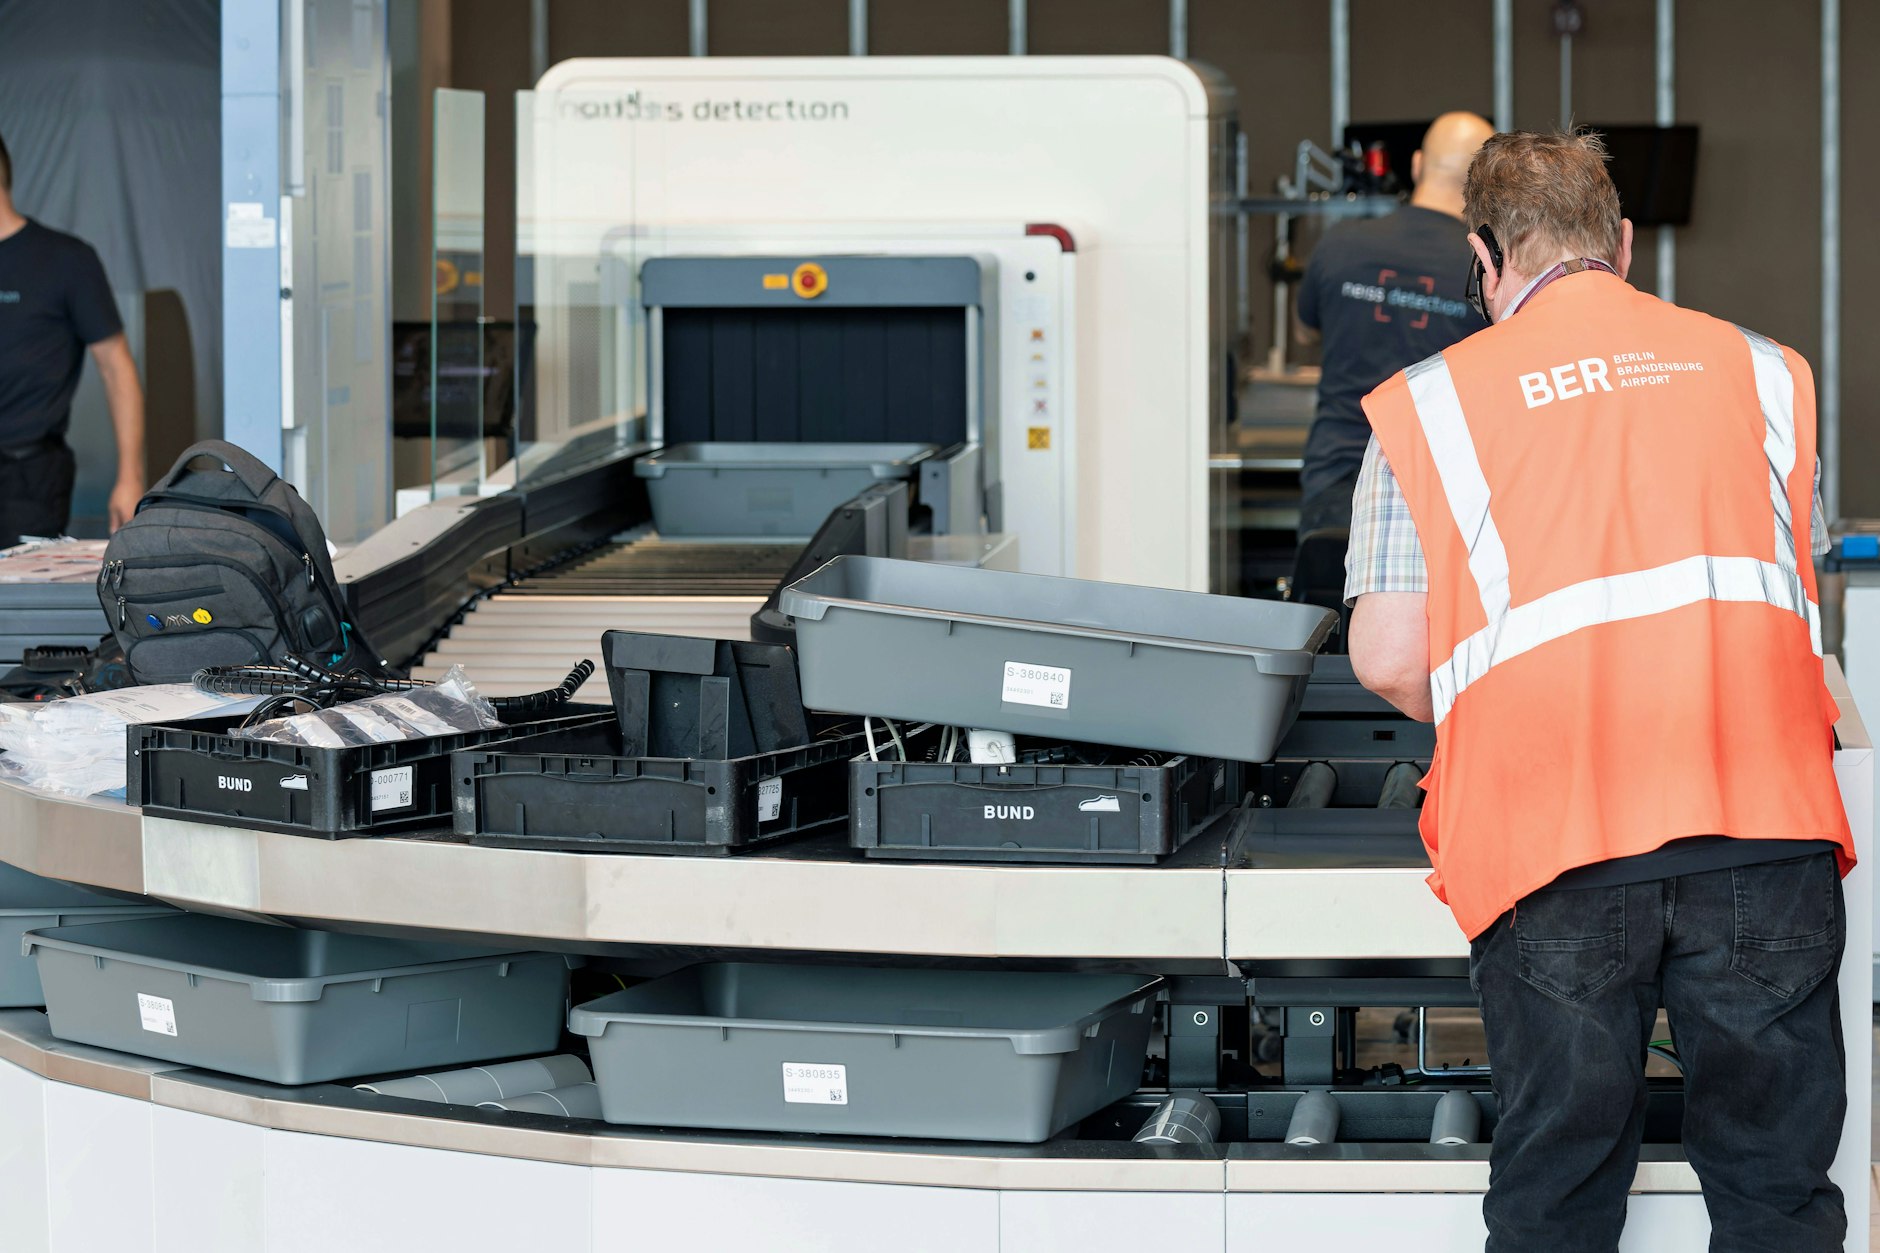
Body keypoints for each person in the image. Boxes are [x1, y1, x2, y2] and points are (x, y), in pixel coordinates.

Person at [1346, 129, 1854, 1251]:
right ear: (1620, 243)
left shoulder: (1426, 407)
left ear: (1482, 258)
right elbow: (1790, 585)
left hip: (1554, 839)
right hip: (1760, 828)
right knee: (1775, 1191)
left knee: (1556, 1194)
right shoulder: (1762, 369)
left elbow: (1386, 653)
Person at [1295, 110, 1495, 543]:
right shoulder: (1486, 271)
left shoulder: (1339, 244)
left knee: (1330, 611)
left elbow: (1305, 333)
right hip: (1439, 488)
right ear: (1484, 187)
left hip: (1336, 480)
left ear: (1418, 164)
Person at [0, 126, 145, 547]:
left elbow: (117, 369)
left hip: (28, 478)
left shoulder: (66, 261)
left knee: (17, 610)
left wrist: (130, 477)